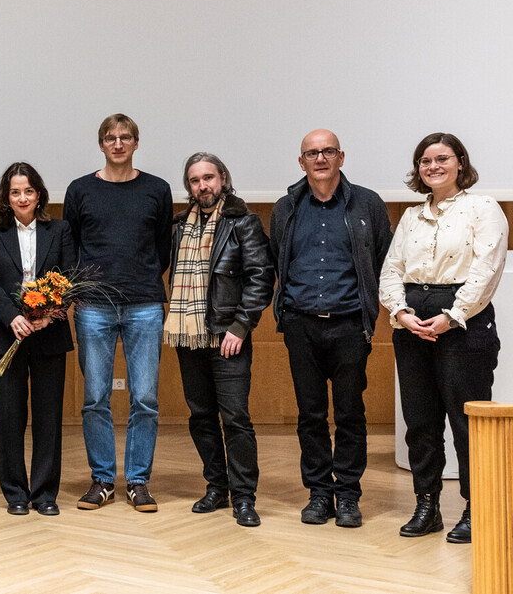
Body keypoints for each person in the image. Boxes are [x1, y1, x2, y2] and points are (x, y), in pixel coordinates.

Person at [378, 132, 506, 544]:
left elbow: (487, 270)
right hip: (412, 325)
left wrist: (452, 316)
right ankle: (427, 505)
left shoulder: (483, 208)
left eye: (442, 159)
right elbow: (391, 270)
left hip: (463, 325)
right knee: (420, 422)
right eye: (425, 161)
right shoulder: (411, 216)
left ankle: (476, 509)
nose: (433, 167)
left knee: (467, 422)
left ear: (460, 163)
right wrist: (401, 313)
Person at [270, 129, 391, 528]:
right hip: (301, 324)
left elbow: (383, 260)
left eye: (328, 151)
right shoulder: (286, 207)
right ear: (301, 161)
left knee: (351, 413)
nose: (320, 158)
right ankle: (319, 494)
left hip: (350, 325)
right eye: (312, 153)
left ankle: (349, 495)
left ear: (341, 157)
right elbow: (278, 260)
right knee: (311, 415)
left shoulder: (368, 204)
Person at [63, 114, 172, 513]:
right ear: (101, 144)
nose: (118, 143)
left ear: (136, 143)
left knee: (145, 398)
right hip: (93, 306)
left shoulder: (157, 189)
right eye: (111, 138)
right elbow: (71, 245)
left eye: (126, 137)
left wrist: (140, 277)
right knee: (95, 397)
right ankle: (103, 480)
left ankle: (139, 482)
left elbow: (162, 248)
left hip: (145, 303)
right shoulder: (80, 190)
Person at [164, 153, 274, 527]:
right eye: (195, 180)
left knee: (236, 419)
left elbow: (261, 277)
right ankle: (216, 487)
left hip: (228, 336)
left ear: (223, 178)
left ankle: (244, 497)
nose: (203, 186)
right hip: (188, 335)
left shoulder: (244, 222)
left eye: (208, 178)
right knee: (201, 417)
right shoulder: (179, 226)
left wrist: (241, 326)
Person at [0, 162, 75, 516]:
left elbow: (70, 278)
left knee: (48, 417)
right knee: (10, 417)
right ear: (6, 197)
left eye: (29, 191)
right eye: (15, 192)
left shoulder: (59, 229)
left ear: (39, 195)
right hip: (8, 334)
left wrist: (49, 315)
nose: (22, 198)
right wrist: (14, 317)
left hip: (50, 334)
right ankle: (16, 493)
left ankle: (45, 493)